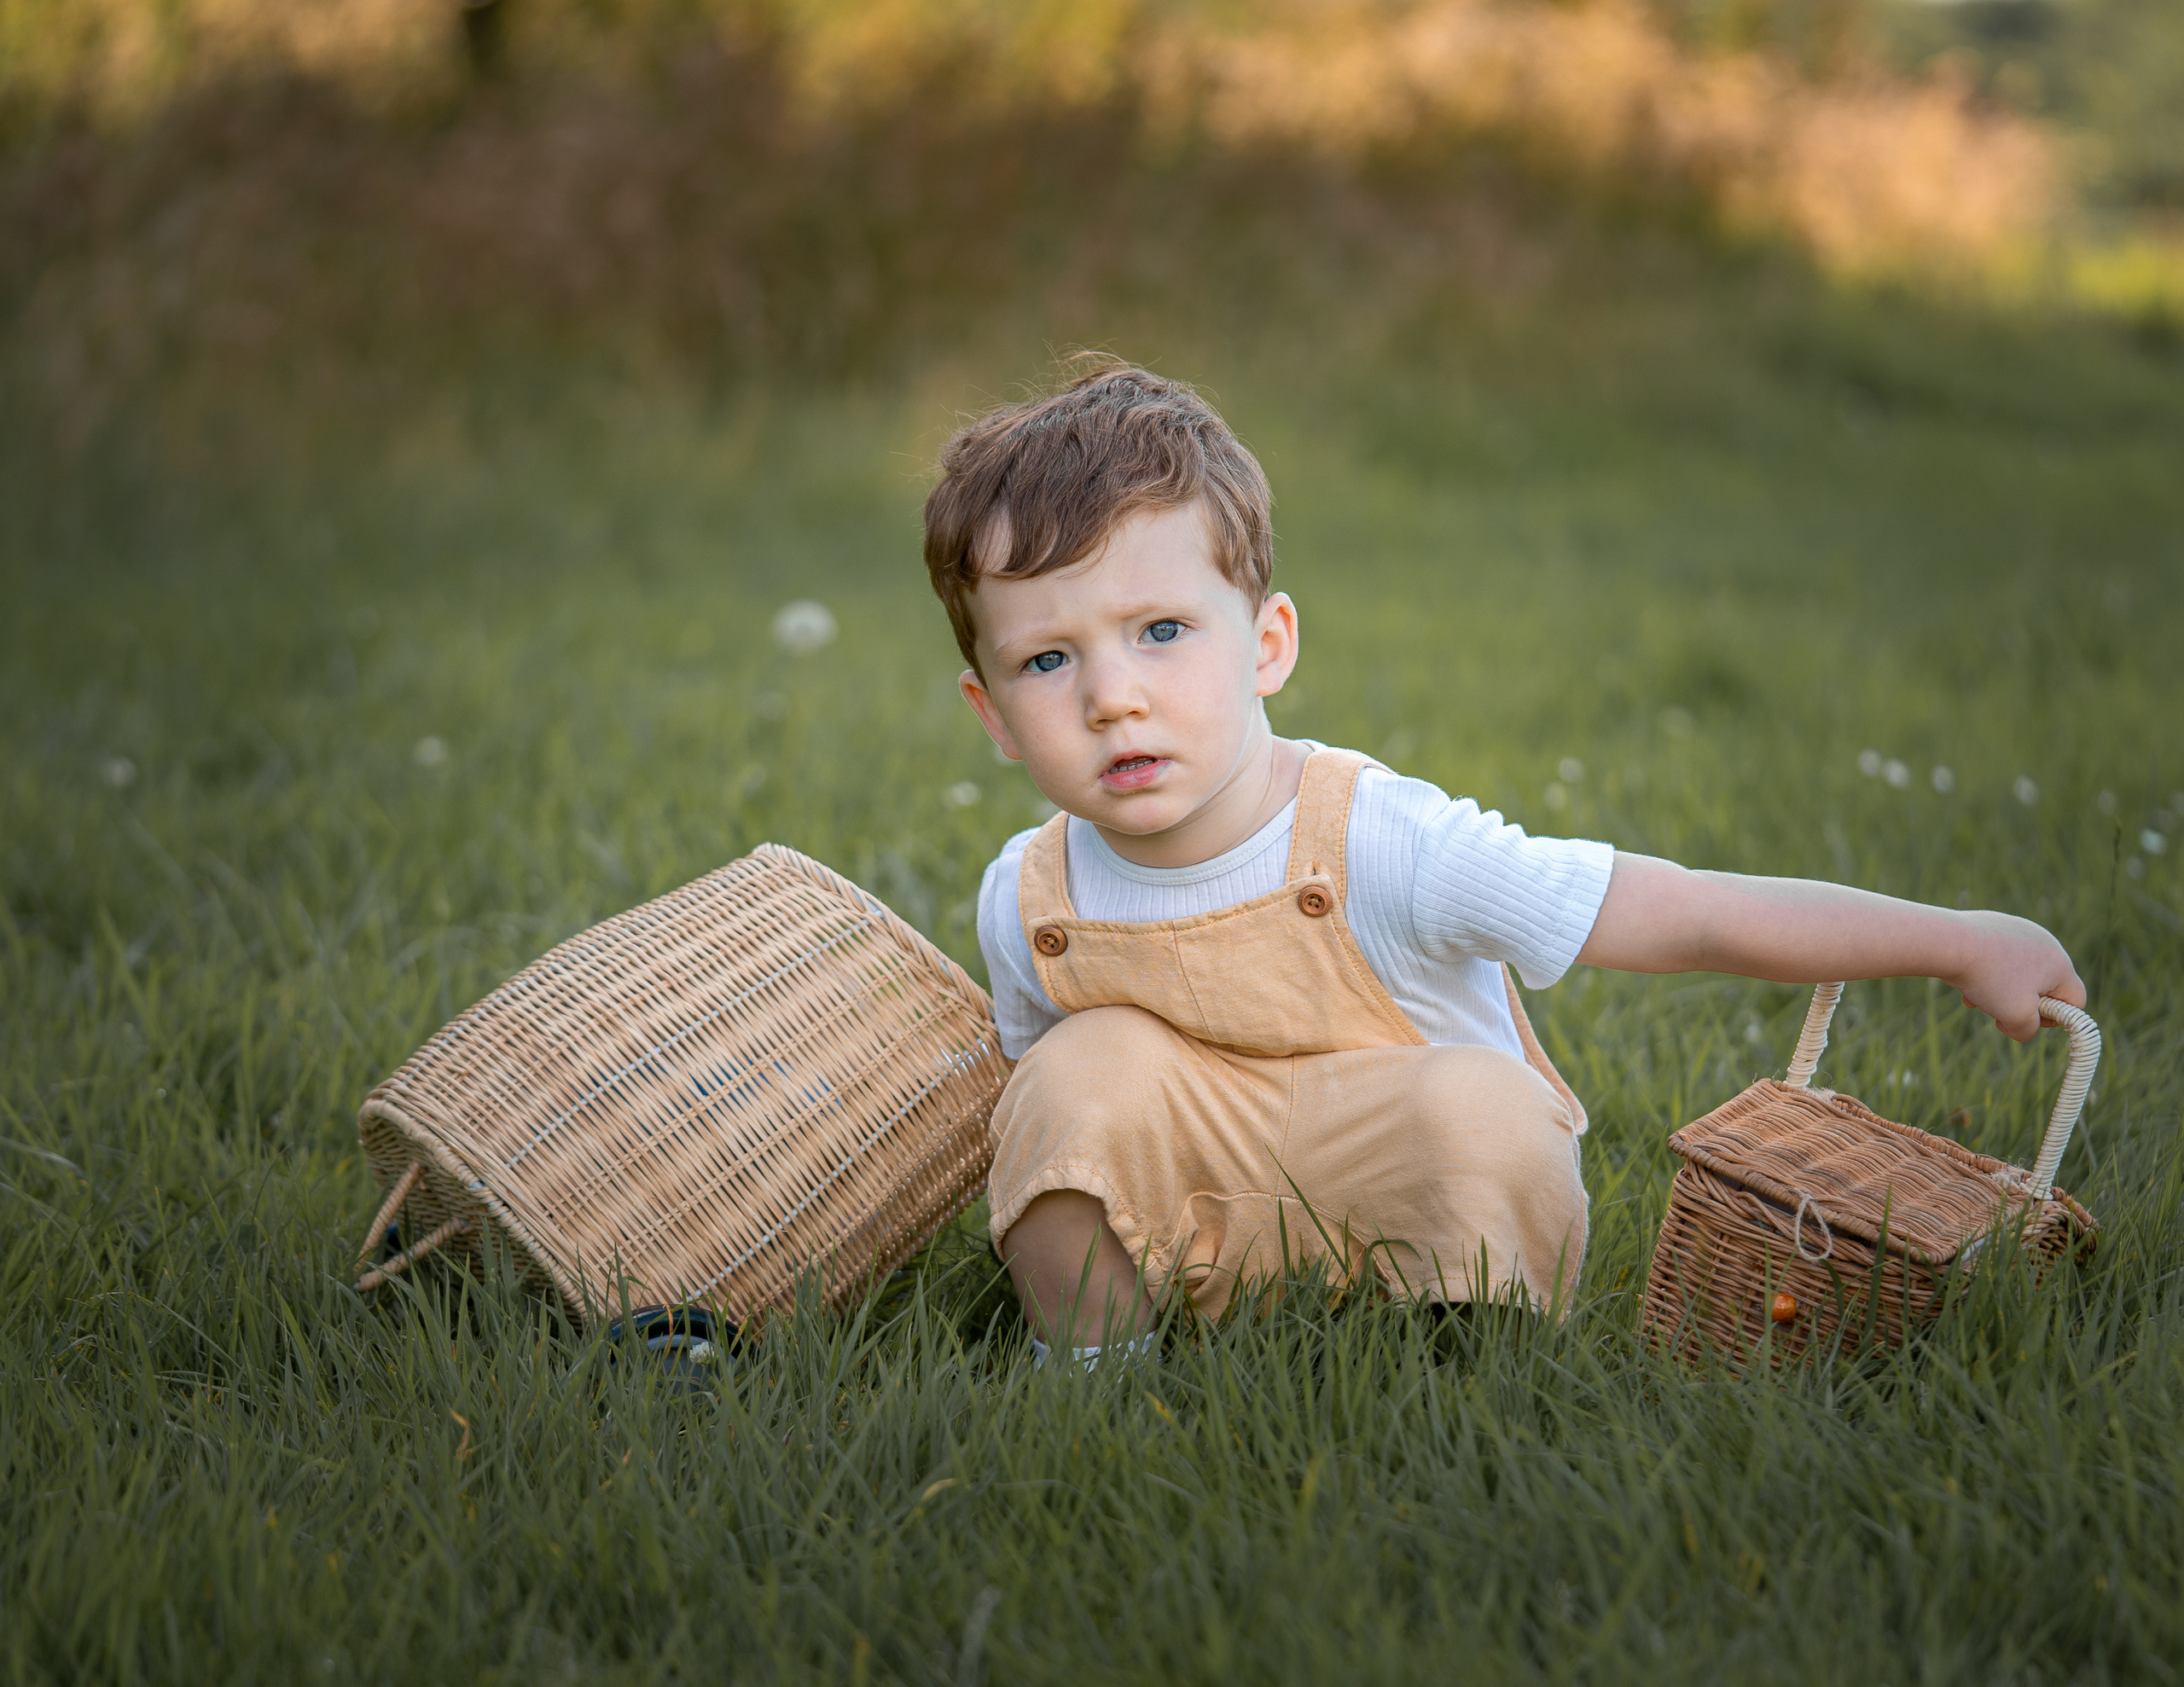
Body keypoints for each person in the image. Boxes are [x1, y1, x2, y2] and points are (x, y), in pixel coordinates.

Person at [921, 360, 2084, 1363]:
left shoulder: (1387, 839)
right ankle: (1095, 1376)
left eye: (1161, 632)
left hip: (1409, 1199)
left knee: (1480, 1105)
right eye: (1047, 662)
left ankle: (1472, 1362)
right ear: (993, 713)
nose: (1113, 697)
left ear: (1266, 645)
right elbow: (1033, 1135)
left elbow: (1682, 914)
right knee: (1071, 1076)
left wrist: (1955, 938)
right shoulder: (1033, 895)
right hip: (1200, 1215)